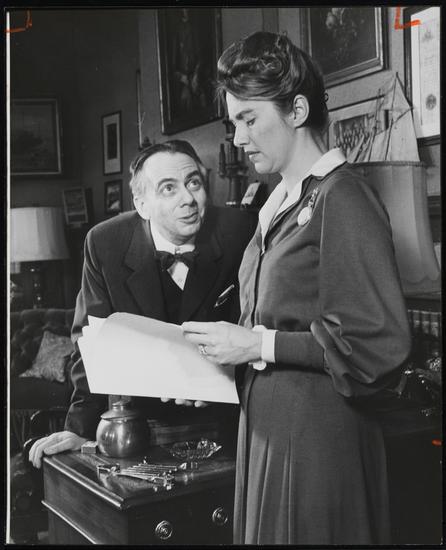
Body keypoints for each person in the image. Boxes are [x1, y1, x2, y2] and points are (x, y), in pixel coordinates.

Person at [182, 32, 411, 545]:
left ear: (298, 110)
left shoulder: (342, 196)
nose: (238, 138)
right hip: (270, 429)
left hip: (319, 440)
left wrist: (256, 345)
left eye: (249, 119)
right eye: (234, 123)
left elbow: (376, 343)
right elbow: (267, 325)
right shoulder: (278, 204)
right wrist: (216, 368)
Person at [29, 139, 255, 468]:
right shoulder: (105, 243)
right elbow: (92, 340)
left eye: (193, 183)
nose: (188, 199)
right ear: (142, 204)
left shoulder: (240, 231)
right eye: (168, 188)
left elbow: (253, 325)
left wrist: (216, 378)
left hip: (226, 420)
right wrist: (79, 429)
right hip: (138, 425)